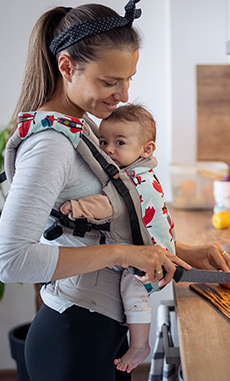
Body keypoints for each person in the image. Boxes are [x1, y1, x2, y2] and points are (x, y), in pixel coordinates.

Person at [0, 0, 230, 381]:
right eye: (109, 81)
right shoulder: (51, 144)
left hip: (99, 332)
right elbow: (11, 260)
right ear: (67, 67)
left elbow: (112, 225)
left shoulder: (84, 127)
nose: (122, 94)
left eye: (128, 79)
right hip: (72, 340)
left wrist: (182, 251)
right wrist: (124, 253)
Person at [60, 103, 173, 373]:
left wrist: (75, 207)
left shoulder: (135, 180)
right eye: (104, 141)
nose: (109, 149)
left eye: (119, 142)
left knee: (132, 291)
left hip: (151, 258)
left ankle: (139, 345)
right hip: (156, 248)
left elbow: (109, 205)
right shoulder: (140, 171)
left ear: (146, 149)